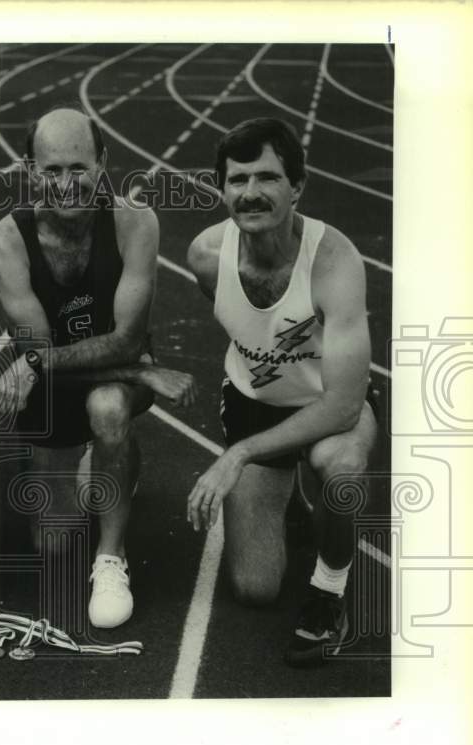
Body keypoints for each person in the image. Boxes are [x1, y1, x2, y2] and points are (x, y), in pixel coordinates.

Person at [0, 107, 197, 629]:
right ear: (30, 170)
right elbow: (41, 361)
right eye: (51, 170)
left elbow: (124, 339)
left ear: (103, 163)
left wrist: (43, 363)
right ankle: (106, 454)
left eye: (78, 168)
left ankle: (111, 558)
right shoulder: (9, 241)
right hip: (65, 384)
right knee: (54, 542)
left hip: (100, 379)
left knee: (106, 409)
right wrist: (141, 372)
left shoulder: (135, 223)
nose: (65, 185)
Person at [186, 117, 377, 666]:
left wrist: (239, 454)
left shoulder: (334, 263)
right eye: (237, 179)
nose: (251, 193)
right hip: (254, 407)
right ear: (221, 188)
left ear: (298, 186)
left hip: (327, 407)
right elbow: (245, 325)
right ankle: (287, 494)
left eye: (267, 178)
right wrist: (250, 438)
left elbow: (343, 404)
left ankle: (328, 592)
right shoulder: (205, 256)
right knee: (256, 588)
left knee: (341, 475)